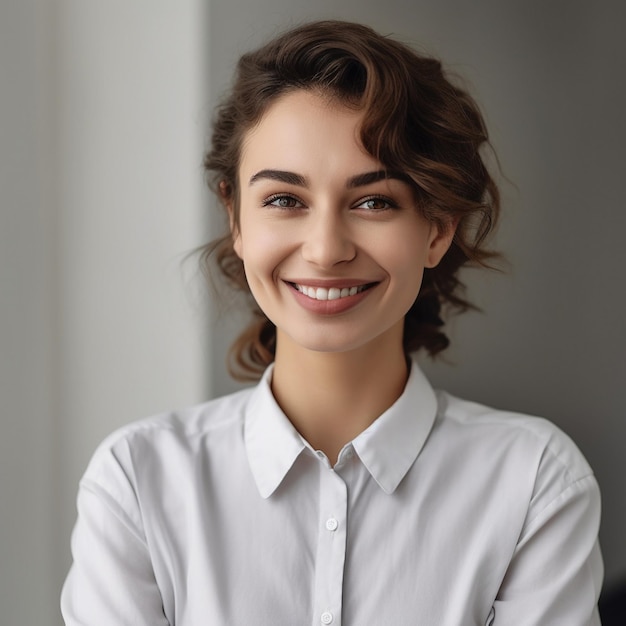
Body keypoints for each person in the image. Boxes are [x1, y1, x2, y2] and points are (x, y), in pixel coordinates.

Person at [61, 20, 603, 625]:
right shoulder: (136, 482)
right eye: (284, 200)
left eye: (374, 201)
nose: (325, 249)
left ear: (438, 228)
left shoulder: (534, 482)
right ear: (236, 220)